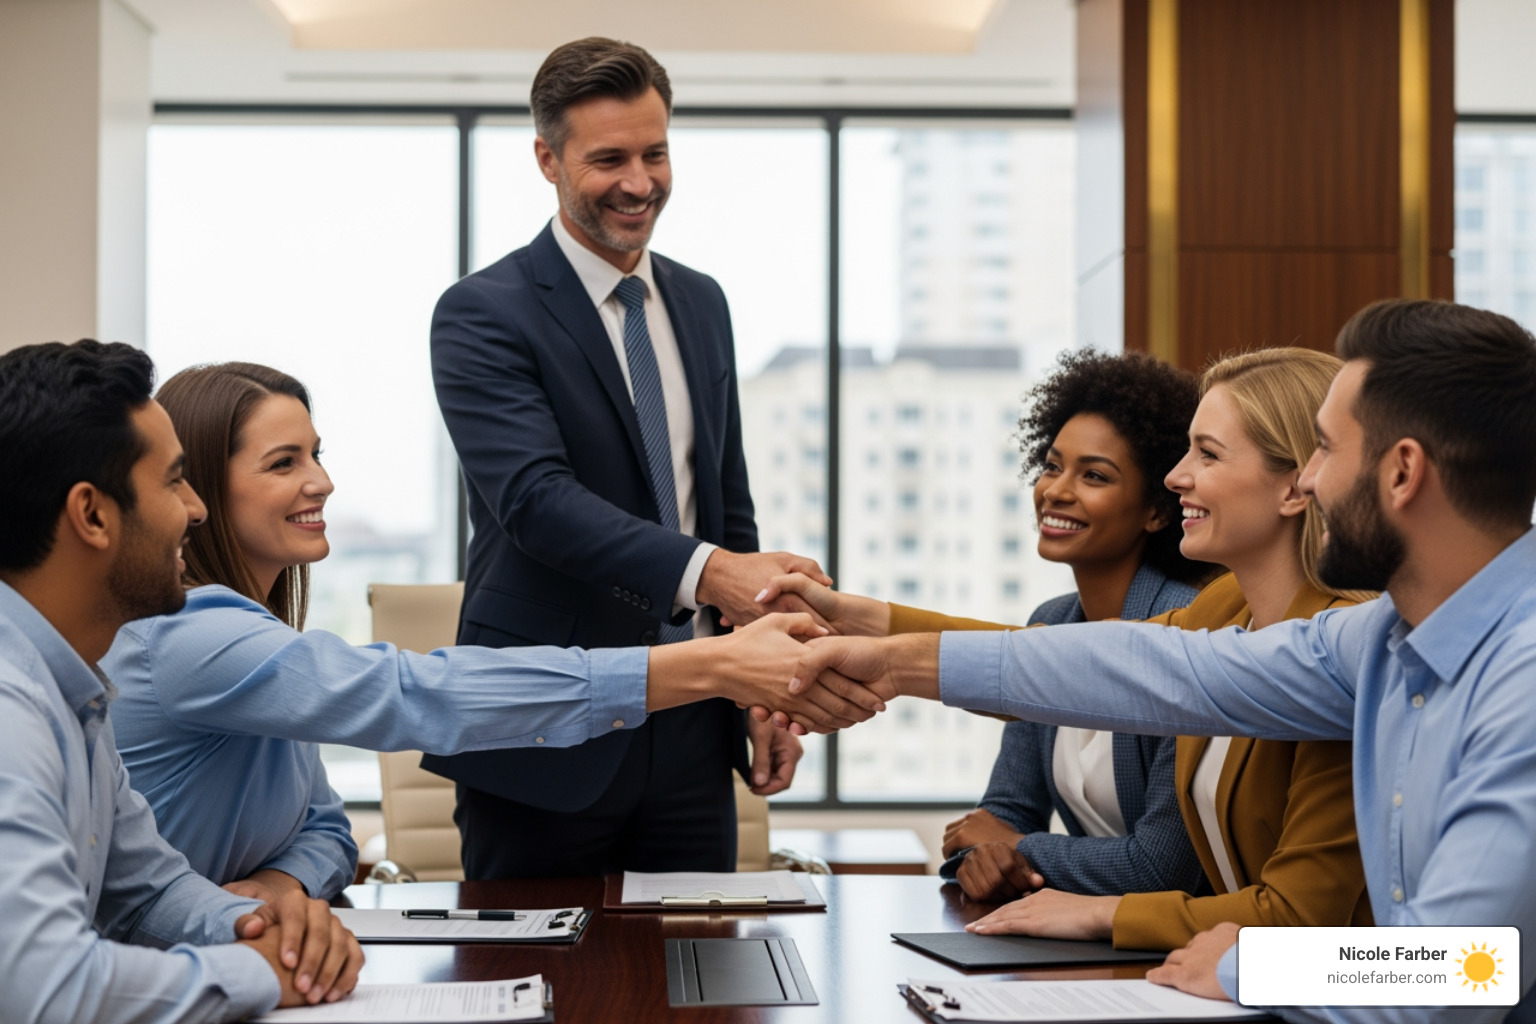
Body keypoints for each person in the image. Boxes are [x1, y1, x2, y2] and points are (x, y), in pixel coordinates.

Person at [795, 299, 1536, 1023]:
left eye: (1327, 450)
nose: (1311, 481)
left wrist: (1240, 964)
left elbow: (1463, 970)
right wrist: (896, 661)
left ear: (1402, 472)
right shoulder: (1376, 638)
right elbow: (1155, 668)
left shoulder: (1523, 682)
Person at [103, 361, 880, 925]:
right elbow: (420, 695)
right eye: (284, 463)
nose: (322, 483)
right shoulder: (188, 637)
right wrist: (714, 664)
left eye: (316, 454)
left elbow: (328, 828)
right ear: (199, 490)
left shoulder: (260, 638)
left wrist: (284, 881)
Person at [767, 348, 1372, 950]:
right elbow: (1074, 663)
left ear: (1296, 485)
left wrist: (1096, 912)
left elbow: (1300, 918)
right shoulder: (1226, 609)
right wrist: (862, 620)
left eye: (1207, 454)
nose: (1175, 476)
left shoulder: (1348, 652)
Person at [428, 37, 824, 878]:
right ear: (548, 159)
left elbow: (725, 506)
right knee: (535, 958)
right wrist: (714, 572)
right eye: (609, 159)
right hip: (543, 728)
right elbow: (536, 501)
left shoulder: (701, 302)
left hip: (695, 723)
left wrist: (761, 689)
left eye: (656, 153)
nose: (640, 183)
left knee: (705, 956)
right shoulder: (483, 312)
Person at [0, 340, 363, 1023]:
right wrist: (254, 970)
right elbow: (43, 988)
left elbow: (147, 892)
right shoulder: (9, 711)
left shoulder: (74, 694)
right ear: (92, 515)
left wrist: (265, 933)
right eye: (173, 482)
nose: (196, 509)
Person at [903, 350, 1213, 900]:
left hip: (1196, 938)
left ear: (1158, 511)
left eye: (1093, 475)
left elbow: (1160, 869)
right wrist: (987, 857)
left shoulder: (1186, 631)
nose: (1056, 491)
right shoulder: (1049, 624)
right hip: (1081, 932)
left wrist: (1018, 848)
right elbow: (1000, 814)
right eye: (1051, 466)